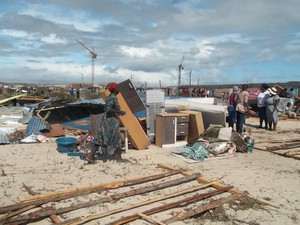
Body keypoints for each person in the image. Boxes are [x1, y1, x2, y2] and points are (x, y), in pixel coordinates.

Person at [86, 82, 126, 162]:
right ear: (114, 89)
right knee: (116, 138)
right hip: (110, 121)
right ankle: (118, 157)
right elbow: (108, 109)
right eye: (117, 88)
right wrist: (119, 112)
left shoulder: (112, 97)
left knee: (102, 138)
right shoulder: (112, 98)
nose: (119, 89)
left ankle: (91, 156)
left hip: (109, 120)